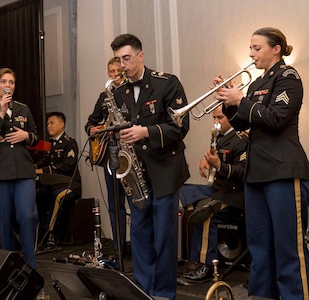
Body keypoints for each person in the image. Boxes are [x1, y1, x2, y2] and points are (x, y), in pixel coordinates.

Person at [214, 27, 309, 299]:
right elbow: (242, 122)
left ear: (276, 48)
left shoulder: (288, 77)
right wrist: (229, 101)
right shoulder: (255, 84)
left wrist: (240, 100)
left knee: (288, 247)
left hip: (282, 169)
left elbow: (276, 118)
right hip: (256, 174)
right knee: (259, 246)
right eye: (251, 48)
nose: (251, 53)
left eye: (257, 47)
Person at [110, 33, 190, 300]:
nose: (122, 65)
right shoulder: (118, 91)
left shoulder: (167, 83)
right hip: (136, 173)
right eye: (118, 60)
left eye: (127, 58)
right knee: (140, 234)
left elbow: (181, 126)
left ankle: (164, 293)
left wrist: (145, 132)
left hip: (165, 170)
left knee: (165, 237)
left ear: (141, 56)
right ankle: (143, 290)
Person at [0, 67, 39, 269]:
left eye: (11, 82)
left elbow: (36, 138)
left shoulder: (24, 109)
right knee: (3, 223)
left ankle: (31, 266)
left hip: (23, 170)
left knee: (27, 216)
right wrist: (1, 112)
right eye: (3, 82)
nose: (8, 86)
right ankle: (7, 268)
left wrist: (26, 136)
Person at [180, 104, 248, 282]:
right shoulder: (220, 137)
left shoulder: (241, 139)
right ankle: (194, 259)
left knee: (206, 214)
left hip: (234, 196)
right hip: (218, 191)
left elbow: (243, 172)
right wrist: (205, 158)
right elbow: (214, 152)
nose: (216, 122)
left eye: (220, 118)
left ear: (231, 118)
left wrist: (219, 166)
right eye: (214, 118)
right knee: (184, 193)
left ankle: (206, 266)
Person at [85, 57, 129, 255]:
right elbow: (91, 121)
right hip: (110, 154)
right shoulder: (104, 95)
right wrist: (92, 129)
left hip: (130, 152)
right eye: (111, 71)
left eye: (117, 71)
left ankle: (138, 246)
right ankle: (119, 247)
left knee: (136, 203)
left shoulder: (132, 92)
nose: (114, 75)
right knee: (114, 203)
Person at [35, 112, 81, 249]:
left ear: (61, 124)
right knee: (39, 194)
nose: (48, 126)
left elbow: (68, 165)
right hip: (53, 184)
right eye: (48, 123)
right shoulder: (51, 144)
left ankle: (50, 234)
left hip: (71, 185)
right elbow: (45, 161)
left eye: (52, 123)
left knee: (58, 197)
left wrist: (44, 170)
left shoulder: (70, 142)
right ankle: (39, 231)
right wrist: (33, 167)